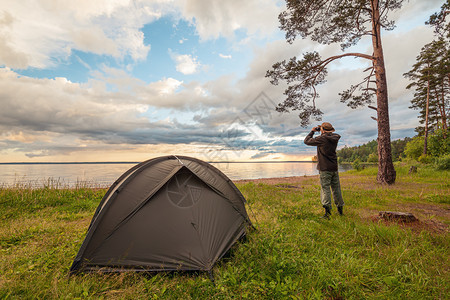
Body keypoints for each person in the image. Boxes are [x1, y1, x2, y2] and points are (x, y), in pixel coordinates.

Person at [304, 122, 344, 219]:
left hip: (325, 168)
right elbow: (330, 134)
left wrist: (312, 131)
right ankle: (340, 211)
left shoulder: (322, 138)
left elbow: (307, 141)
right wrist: (322, 131)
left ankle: (327, 213)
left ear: (322, 130)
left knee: (325, 189)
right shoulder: (335, 137)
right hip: (334, 167)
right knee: (336, 188)